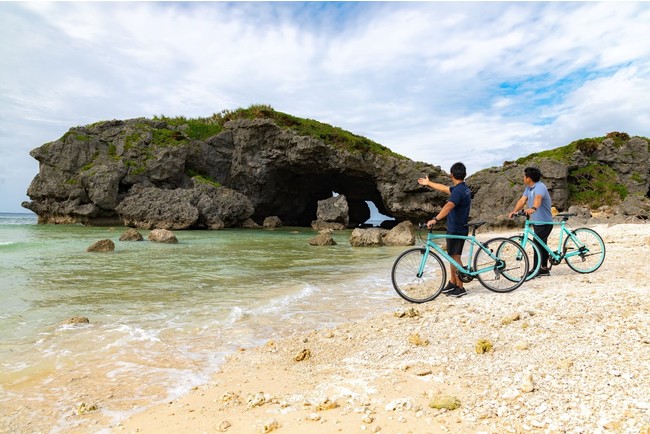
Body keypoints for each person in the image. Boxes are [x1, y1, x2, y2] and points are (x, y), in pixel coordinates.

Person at [418, 162, 472, 298]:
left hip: (457, 229)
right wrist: (429, 183)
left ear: (451, 174)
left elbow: (449, 206)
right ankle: (453, 282)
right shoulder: (462, 188)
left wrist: (435, 219)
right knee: (452, 256)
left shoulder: (459, 191)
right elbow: (443, 188)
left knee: (455, 257)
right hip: (457, 227)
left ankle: (460, 287)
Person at [508, 167, 554, 276]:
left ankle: (536, 270)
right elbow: (522, 200)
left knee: (537, 245)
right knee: (541, 245)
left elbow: (538, 199)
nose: (523, 178)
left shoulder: (540, 187)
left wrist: (533, 208)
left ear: (529, 178)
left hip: (545, 222)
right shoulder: (528, 189)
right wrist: (514, 211)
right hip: (537, 222)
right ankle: (543, 268)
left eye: (524, 176)